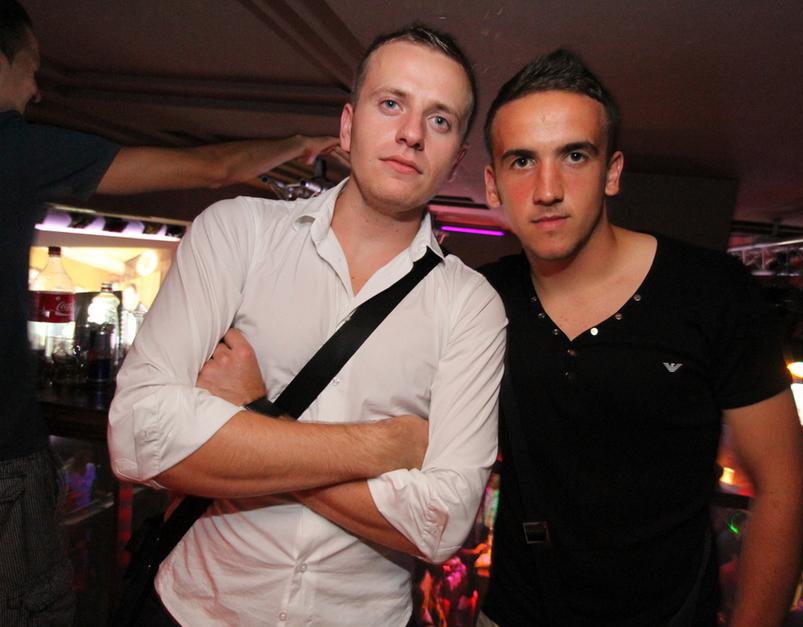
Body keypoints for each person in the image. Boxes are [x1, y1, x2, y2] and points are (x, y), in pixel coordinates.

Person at [109, 23, 506, 625]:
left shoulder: (470, 306)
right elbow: (139, 435)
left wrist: (256, 415)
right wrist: (382, 447)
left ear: (455, 162)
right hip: (192, 609)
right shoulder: (238, 233)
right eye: (391, 104)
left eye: (440, 119)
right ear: (348, 126)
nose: (411, 134)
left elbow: (440, 523)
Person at [0, 1, 345, 624]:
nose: (36, 89)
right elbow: (210, 167)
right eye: (30, 69)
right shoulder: (14, 146)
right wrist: (297, 143)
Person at [477, 49, 803, 625]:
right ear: (492, 185)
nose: (548, 188)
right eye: (522, 161)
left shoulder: (710, 291)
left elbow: (784, 482)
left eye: (574, 156)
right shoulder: (480, 300)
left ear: (612, 172)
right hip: (515, 612)